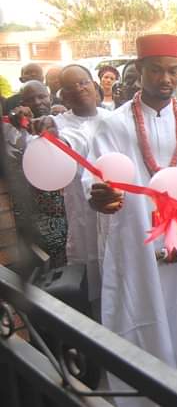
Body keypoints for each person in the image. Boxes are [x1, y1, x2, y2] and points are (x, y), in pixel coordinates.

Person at [86, 34, 177, 404]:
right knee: (143, 318)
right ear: (139, 71)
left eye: (173, 71)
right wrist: (102, 196)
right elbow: (97, 183)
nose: (166, 79)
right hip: (137, 245)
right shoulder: (114, 125)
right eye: (156, 70)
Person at [54, 64, 112, 310]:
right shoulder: (56, 125)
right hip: (83, 217)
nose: (79, 89)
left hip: (115, 214)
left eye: (83, 82)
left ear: (95, 86)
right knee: (92, 292)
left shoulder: (114, 119)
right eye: (70, 87)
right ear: (64, 96)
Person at [5, 81, 68, 268]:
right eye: (31, 99)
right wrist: (16, 123)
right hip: (38, 217)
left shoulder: (63, 120)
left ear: (50, 97)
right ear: (23, 102)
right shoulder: (17, 129)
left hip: (68, 213)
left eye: (42, 96)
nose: (38, 102)